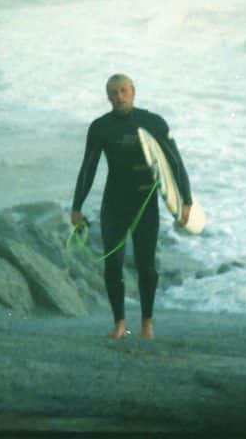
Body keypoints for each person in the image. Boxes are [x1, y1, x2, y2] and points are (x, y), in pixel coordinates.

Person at [71, 74, 192, 340]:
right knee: (112, 265)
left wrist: (186, 202)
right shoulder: (100, 127)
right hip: (113, 203)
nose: (119, 96)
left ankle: (147, 323)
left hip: (144, 203)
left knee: (146, 265)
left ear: (133, 91)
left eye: (123, 90)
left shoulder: (153, 122)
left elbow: (174, 162)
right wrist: (76, 206)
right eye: (113, 92)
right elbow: (88, 167)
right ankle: (119, 324)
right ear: (108, 96)